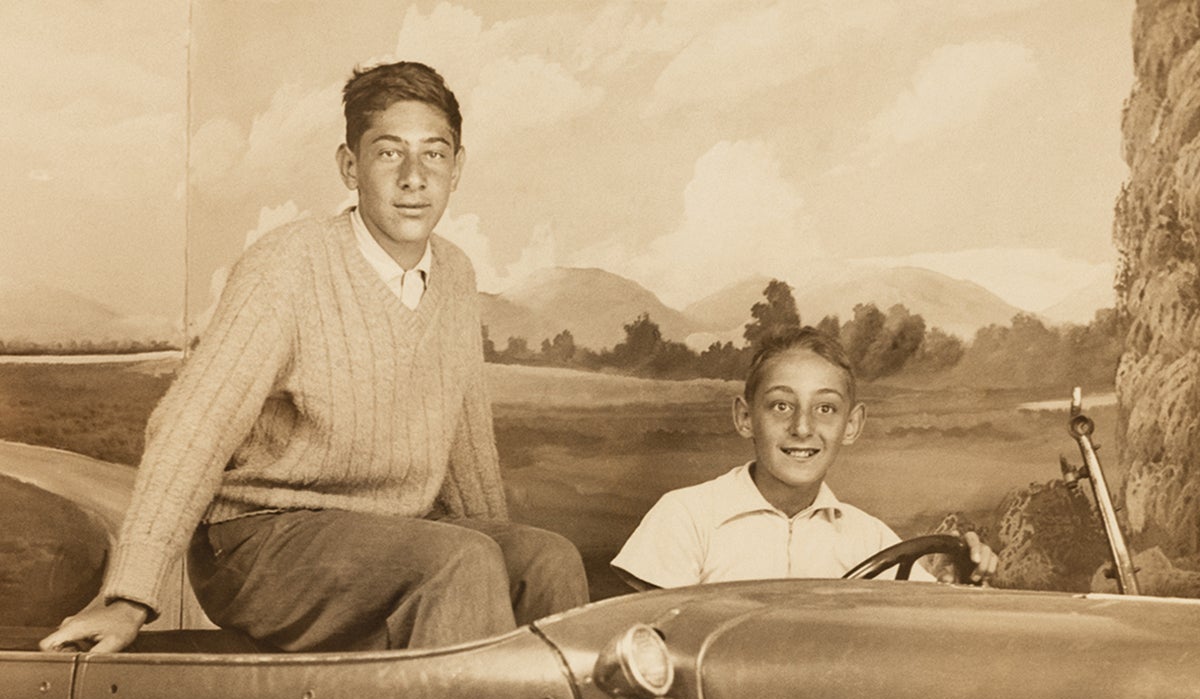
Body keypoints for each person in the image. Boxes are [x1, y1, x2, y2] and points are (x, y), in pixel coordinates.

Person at [42, 60, 588, 654]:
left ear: (457, 168)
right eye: (388, 153)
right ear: (350, 166)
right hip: (257, 540)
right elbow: (192, 427)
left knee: (546, 559)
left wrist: (498, 542)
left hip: (390, 536)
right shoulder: (288, 267)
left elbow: (464, 439)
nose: (414, 177)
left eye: (434, 154)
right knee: (461, 561)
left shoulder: (454, 273)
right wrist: (130, 597)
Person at [611, 326, 997, 590]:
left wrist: (963, 580)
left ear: (852, 424)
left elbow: (919, 640)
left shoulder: (869, 538)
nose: (802, 427)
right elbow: (652, 652)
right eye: (781, 405)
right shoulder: (686, 517)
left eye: (825, 409)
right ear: (745, 418)